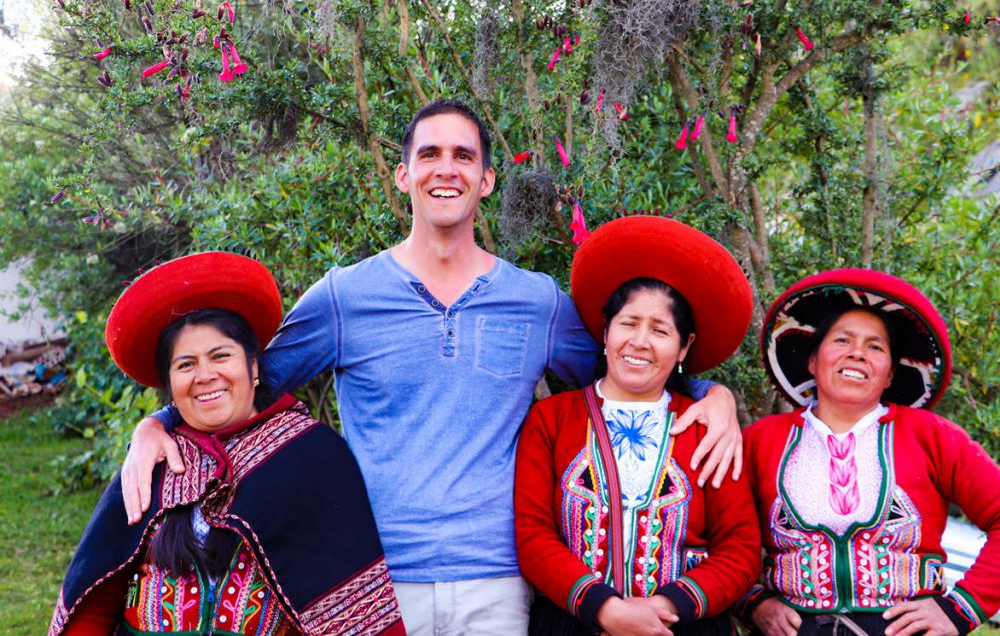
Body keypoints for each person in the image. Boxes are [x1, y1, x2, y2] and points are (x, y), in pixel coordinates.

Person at [119, 99, 743, 634]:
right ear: (403, 174)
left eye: (464, 156)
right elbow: (243, 388)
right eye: (429, 155)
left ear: (487, 180)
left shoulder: (537, 303)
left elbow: (626, 379)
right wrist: (162, 422)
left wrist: (710, 394)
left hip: (498, 581)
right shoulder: (345, 297)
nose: (446, 169)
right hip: (375, 575)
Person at [49, 252, 404, 636]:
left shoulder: (312, 458)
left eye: (221, 356)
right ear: (170, 385)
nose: (205, 375)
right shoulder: (153, 463)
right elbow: (95, 602)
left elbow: (358, 614)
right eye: (185, 365)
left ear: (254, 367)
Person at [739, 269, 1000, 636]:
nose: (857, 353)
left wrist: (960, 609)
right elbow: (719, 536)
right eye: (842, 340)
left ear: (890, 374)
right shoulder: (759, 442)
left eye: (875, 347)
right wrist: (753, 602)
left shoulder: (931, 436)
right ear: (813, 361)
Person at [516, 216, 761, 635]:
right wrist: (604, 608)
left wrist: (667, 606)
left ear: (684, 346)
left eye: (660, 330)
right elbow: (533, 533)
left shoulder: (707, 427)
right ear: (606, 330)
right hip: (574, 623)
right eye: (629, 323)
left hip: (683, 626)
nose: (640, 341)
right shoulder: (552, 419)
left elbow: (740, 548)